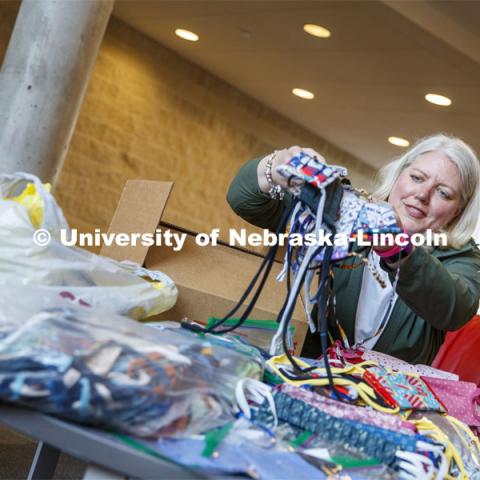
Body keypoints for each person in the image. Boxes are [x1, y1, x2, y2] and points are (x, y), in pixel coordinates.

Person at [227, 134, 480, 365]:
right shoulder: (347, 214)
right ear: (398, 175)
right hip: (308, 379)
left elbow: (454, 308)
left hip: (386, 405)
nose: (422, 194)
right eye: (417, 178)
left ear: (458, 210)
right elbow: (245, 200)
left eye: (443, 193)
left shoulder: (462, 256)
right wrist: (275, 165)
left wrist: (395, 246)